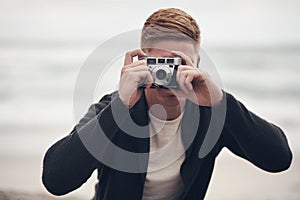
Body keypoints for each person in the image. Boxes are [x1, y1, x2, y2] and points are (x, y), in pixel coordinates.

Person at [42, 8, 292, 200]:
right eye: (162, 64)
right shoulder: (114, 110)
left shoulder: (212, 114)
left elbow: (278, 159)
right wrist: (119, 107)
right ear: (141, 62)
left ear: (197, 64)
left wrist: (220, 101)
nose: (171, 75)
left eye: (181, 63)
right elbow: (56, 180)